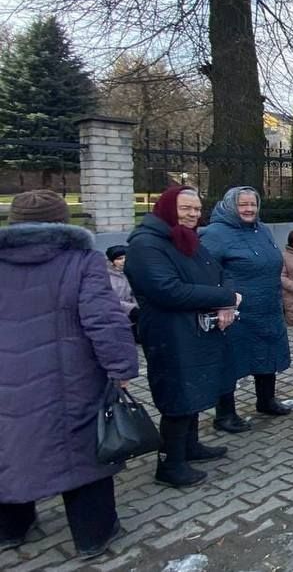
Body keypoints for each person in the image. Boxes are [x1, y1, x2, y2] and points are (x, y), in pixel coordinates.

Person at [0, 190, 139, 558]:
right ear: (63, 222)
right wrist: (122, 368)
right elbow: (105, 322)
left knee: (11, 448)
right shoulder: (82, 262)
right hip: (71, 378)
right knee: (81, 454)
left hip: (7, 381)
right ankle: (94, 534)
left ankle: (11, 528)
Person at [124, 185, 241, 489]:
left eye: (197, 209)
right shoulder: (146, 244)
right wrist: (225, 296)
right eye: (186, 208)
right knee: (178, 393)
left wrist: (224, 296)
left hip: (197, 328)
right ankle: (170, 464)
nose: (193, 215)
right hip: (169, 332)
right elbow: (167, 290)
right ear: (166, 208)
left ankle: (191, 446)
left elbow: (218, 271)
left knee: (196, 387)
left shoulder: (187, 239)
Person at [200, 186, 291, 431]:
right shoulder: (215, 233)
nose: (249, 209)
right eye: (243, 205)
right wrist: (222, 302)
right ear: (231, 206)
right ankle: (225, 414)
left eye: (253, 204)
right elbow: (206, 272)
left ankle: (266, 400)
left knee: (268, 351)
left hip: (268, 306)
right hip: (235, 311)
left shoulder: (261, 229)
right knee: (231, 359)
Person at [105, 245, 139, 337]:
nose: (124, 260)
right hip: (116, 321)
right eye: (119, 258)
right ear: (111, 261)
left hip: (137, 320)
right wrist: (131, 308)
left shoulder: (135, 273)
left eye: (126, 257)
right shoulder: (105, 277)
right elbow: (107, 300)